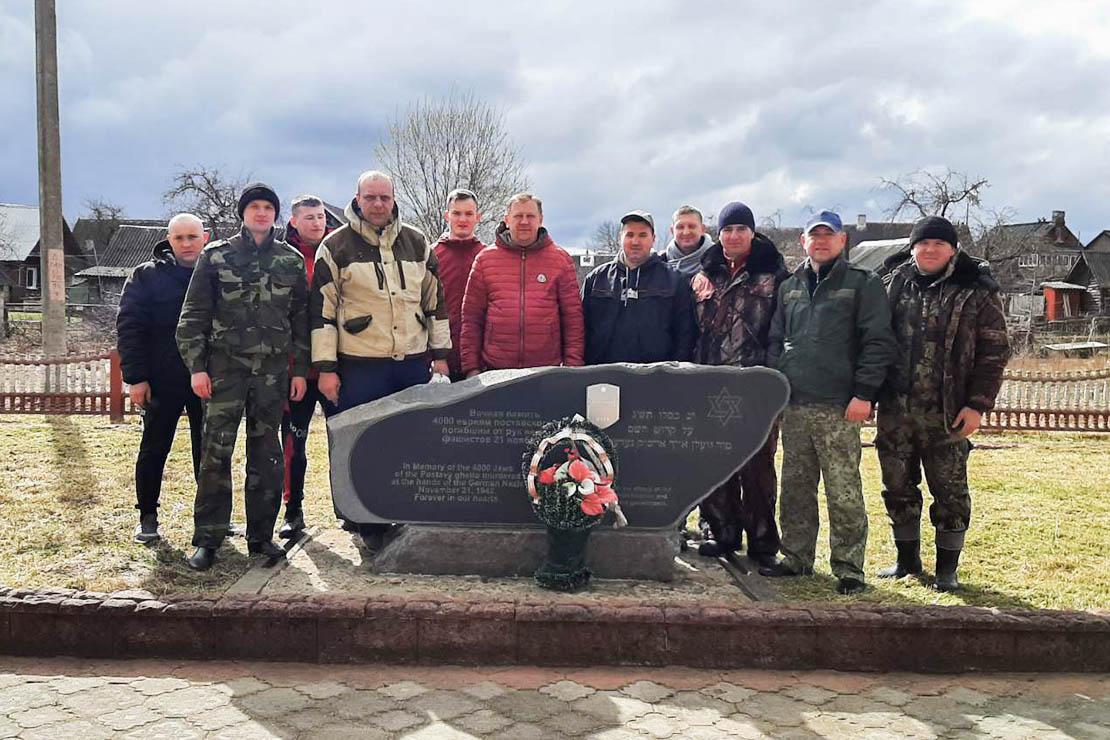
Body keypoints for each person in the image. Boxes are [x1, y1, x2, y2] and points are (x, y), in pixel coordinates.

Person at [309, 170, 449, 547]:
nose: (377, 204)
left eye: (384, 198)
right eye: (370, 197)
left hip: (411, 364)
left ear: (394, 199)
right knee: (361, 444)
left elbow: (435, 303)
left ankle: (404, 512)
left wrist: (441, 356)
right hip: (359, 364)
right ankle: (365, 522)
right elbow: (321, 313)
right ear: (357, 199)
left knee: (409, 442)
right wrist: (326, 369)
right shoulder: (335, 246)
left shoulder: (417, 242)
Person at [760, 210, 896, 595]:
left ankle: (849, 567)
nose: (820, 242)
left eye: (828, 235)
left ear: (842, 240)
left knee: (843, 489)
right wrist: (777, 386)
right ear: (803, 241)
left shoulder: (862, 283)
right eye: (814, 236)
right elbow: (776, 340)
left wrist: (864, 393)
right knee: (795, 487)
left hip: (839, 405)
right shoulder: (790, 286)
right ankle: (796, 557)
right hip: (795, 404)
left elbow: (877, 342)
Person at [177, 183, 309, 571]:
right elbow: (193, 315)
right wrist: (197, 368)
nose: (261, 212)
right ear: (243, 213)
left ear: (276, 214)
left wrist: (300, 370)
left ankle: (261, 536)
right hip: (224, 371)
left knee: (267, 455)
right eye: (255, 206)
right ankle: (208, 539)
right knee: (215, 453)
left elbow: (302, 320)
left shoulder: (290, 260)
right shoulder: (216, 256)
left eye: (268, 207)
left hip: (271, 373)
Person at [874, 215, 1010, 591]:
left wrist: (977, 404)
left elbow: (995, 350)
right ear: (912, 248)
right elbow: (872, 340)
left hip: (947, 411)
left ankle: (947, 569)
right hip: (896, 408)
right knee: (896, 485)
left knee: (949, 490)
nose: (930, 250)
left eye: (939, 244)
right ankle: (906, 561)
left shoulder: (976, 288)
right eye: (923, 243)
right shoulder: (893, 282)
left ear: (953, 249)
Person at [692, 202, 789, 567]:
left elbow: (782, 332)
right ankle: (721, 533)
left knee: (758, 466)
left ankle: (763, 543)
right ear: (718, 235)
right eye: (727, 230)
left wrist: (772, 379)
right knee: (715, 461)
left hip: (756, 386)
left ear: (752, 232)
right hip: (710, 383)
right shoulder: (704, 274)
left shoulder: (775, 274)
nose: (734, 236)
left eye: (741, 229)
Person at [116, 213, 207, 544]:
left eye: (192, 237)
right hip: (160, 378)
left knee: (208, 450)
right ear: (169, 240)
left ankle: (210, 517)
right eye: (179, 238)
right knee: (154, 447)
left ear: (205, 239)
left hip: (207, 376)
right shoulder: (146, 276)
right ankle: (147, 516)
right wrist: (136, 378)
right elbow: (130, 329)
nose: (186, 244)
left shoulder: (215, 273)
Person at [460, 193, 584, 376]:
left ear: (540, 220)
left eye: (530, 216)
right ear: (507, 220)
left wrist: (573, 367)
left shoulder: (560, 260)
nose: (524, 221)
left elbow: (573, 319)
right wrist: (471, 368)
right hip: (495, 372)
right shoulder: (485, 260)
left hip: (546, 372)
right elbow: (471, 318)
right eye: (518, 216)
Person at [277, 195, 334, 540]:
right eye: (309, 217)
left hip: (334, 368)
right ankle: (293, 510)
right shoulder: (283, 258)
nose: (317, 223)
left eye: (321, 217)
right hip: (295, 370)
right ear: (294, 221)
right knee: (293, 444)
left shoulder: (337, 252)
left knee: (342, 440)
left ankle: (349, 509)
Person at [580, 210, 696, 365]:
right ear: (620, 238)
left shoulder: (675, 281)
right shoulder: (596, 280)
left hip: (658, 375)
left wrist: (674, 373)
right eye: (629, 235)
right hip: (604, 374)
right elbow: (579, 331)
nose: (635, 241)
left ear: (653, 239)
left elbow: (685, 336)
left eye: (642, 235)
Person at [433, 188, 487, 381]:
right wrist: (435, 357)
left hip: (482, 362)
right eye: (456, 213)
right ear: (447, 215)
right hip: (441, 363)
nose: (462, 219)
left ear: (478, 217)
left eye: (469, 214)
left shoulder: (488, 257)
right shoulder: (430, 256)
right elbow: (422, 310)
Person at [662, 205, 715, 279]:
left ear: (702, 229)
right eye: (680, 227)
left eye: (692, 226)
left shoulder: (720, 259)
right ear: (672, 231)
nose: (686, 232)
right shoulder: (661, 262)